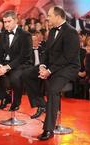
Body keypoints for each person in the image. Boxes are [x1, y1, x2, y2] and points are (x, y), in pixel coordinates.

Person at [22, 6, 80, 140]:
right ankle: (41, 105)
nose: (47, 18)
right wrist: (42, 66)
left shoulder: (71, 32)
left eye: (49, 16)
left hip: (68, 68)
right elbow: (47, 52)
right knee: (27, 74)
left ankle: (49, 129)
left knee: (52, 89)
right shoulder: (53, 31)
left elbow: (67, 58)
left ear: (58, 16)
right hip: (52, 66)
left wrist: (49, 71)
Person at [0, 10, 32, 111]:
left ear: (16, 20)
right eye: (5, 22)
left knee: (14, 78)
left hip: (20, 64)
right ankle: (3, 97)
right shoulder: (3, 34)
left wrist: (6, 68)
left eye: (9, 21)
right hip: (4, 64)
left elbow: (23, 57)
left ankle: (16, 102)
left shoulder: (25, 35)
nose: (6, 24)